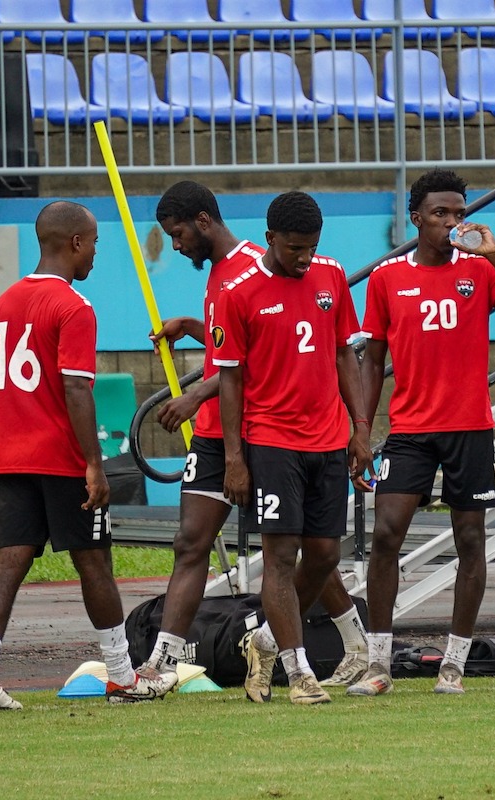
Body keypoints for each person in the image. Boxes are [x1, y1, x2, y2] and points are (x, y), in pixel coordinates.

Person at [139, 182, 369, 696]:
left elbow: (256, 360)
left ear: (202, 222)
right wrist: (195, 326)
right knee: (197, 543)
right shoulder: (233, 279)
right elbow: (239, 345)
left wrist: (196, 395)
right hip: (238, 436)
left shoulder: (255, 267)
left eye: (177, 234)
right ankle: (161, 664)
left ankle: (350, 643)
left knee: (314, 548)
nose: (175, 246)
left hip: (249, 432)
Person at [0, 201, 177, 710]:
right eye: (95, 244)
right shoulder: (74, 307)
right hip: (59, 458)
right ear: (76, 243)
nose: (96, 255)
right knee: (95, 563)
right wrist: (93, 462)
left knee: (9, 562)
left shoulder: (5, 302)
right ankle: (123, 677)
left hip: (8, 455)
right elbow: (77, 390)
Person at [348, 169, 495, 697]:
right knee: (387, 534)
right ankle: (378, 665)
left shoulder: (480, 271)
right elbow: (373, 362)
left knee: (470, 539)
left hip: (469, 427)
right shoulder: (388, 278)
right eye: (441, 213)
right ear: (416, 217)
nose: (452, 222)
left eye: (459, 212)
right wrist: (362, 429)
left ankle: (454, 664)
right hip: (411, 429)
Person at [212, 191, 373, 705]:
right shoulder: (238, 292)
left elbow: (345, 355)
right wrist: (235, 458)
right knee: (280, 556)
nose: (304, 258)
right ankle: (298, 672)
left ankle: (263, 639)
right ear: (271, 239)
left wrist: (361, 427)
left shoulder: (330, 275)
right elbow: (230, 380)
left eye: (312, 247)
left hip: (328, 438)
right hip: (273, 441)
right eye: (295, 249)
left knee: (324, 555)